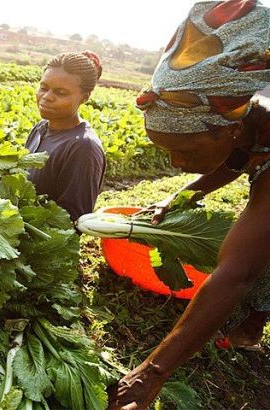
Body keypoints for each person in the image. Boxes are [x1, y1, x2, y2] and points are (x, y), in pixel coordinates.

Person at [107, 0, 270, 408]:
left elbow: (237, 272)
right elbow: (236, 160)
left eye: (184, 152)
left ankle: (254, 322)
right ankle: (254, 321)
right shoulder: (245, 119)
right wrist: (179, 196)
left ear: (226, 131)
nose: (176, 165)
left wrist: (150, 374)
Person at [25, 51, 106, 221]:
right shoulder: (40, 129)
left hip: (39, 246)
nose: (46, 97)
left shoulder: (84, 147)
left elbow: (72, 221)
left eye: (60, 93)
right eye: (44, 87)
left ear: (84, 97)